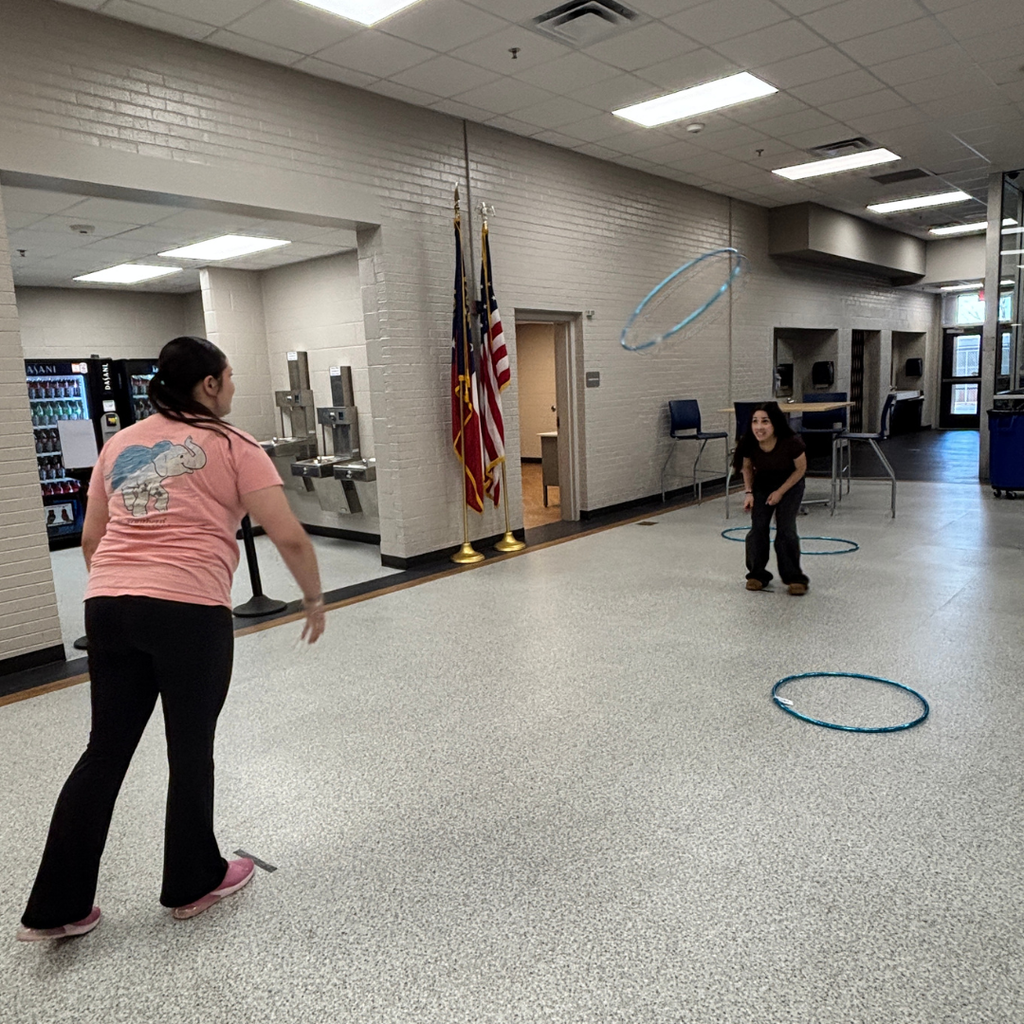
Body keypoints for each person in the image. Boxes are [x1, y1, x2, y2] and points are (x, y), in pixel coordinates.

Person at [17, 336, 326, 942]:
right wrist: (314, 599)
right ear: (209, 384)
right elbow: (287, 533)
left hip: (108, 606)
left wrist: (123, 590)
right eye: (229, 377)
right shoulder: (235, 445)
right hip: (189, 611)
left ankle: (55, 908)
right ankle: (192, 881)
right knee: (189, 749)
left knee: (104, 751)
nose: (232, 387)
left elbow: (92, 538)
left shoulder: (119, 444)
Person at [733, 402, 810, 596]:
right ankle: (757, 574)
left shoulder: (792, 442)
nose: (759, 427)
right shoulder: (749, 442)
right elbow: (747, 467)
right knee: (758, 528)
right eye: (755, 421)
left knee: (786, 528)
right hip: (763, 483)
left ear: (775, 423)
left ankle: (794, 577)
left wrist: (780, 492)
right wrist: (749, 492)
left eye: (765, 422)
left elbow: (801, 469)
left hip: (790, 483)